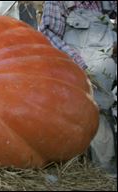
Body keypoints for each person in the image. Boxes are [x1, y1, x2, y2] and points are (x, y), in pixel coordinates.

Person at [39, 1, 117, 174]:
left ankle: (104, 174)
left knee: (102, 114)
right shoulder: (58, 3)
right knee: (72, 114)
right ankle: (69, 168)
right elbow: (48, 33)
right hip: (72, 65)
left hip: (103, 67)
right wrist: (77, 61)